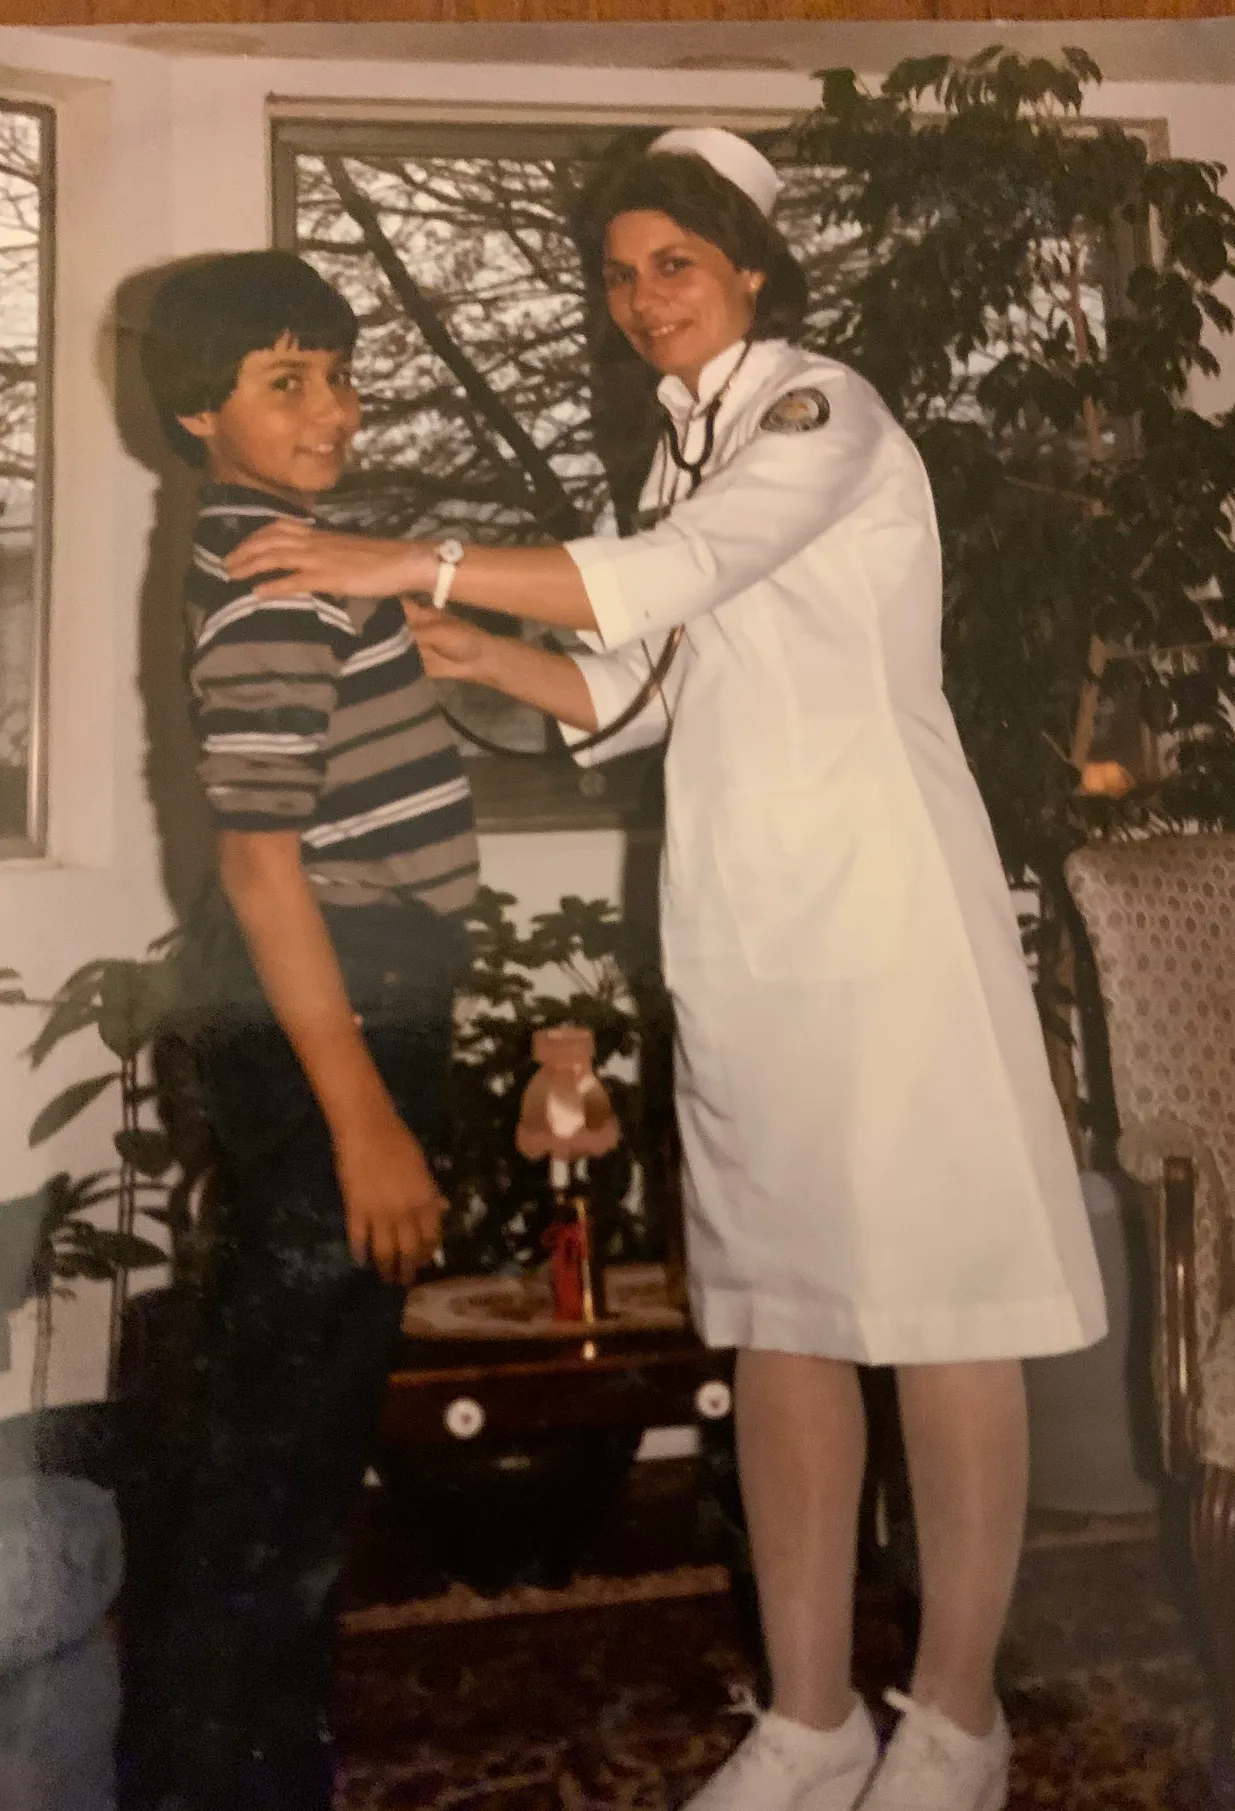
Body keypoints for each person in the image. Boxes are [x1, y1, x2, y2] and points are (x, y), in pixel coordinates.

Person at [224, 131, 1107, 1811]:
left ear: (752, 268)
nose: (643, 301)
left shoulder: (815, 410)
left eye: (674, 266)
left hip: (884, 916)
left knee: (936, 1317)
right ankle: (809, 1718)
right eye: (620, 274)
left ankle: (958, 1722)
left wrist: (408, 556)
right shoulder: (676, 458)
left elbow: (680, 583)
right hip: (746, 926)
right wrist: (480, 647)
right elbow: (646, 694)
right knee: (780, 1314)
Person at [124, 250, 478, 1811]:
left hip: (341, 994)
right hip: (333, 1008)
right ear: (201, 410)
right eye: (287, 381)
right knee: (279, 1472)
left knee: (280, 1452)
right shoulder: (274, 577)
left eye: (336, 370)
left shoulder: (293, 554)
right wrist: (365, 1121)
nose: (332, 405)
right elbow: (264, 864)